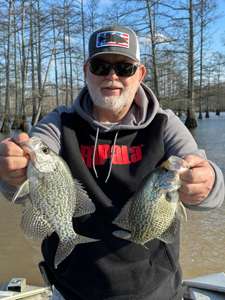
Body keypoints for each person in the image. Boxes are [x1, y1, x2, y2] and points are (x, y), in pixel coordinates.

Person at [0, 24, 224, 300]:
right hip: (72, 288)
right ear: (86, 72)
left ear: (140, 74)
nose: (112, 76)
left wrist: (207, 183)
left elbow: (209, 187)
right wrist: (12, 174)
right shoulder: (58, 124)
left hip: (156, 287)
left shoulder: (166, 124)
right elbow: (24, 186)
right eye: (100, 66)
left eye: (125, 68)